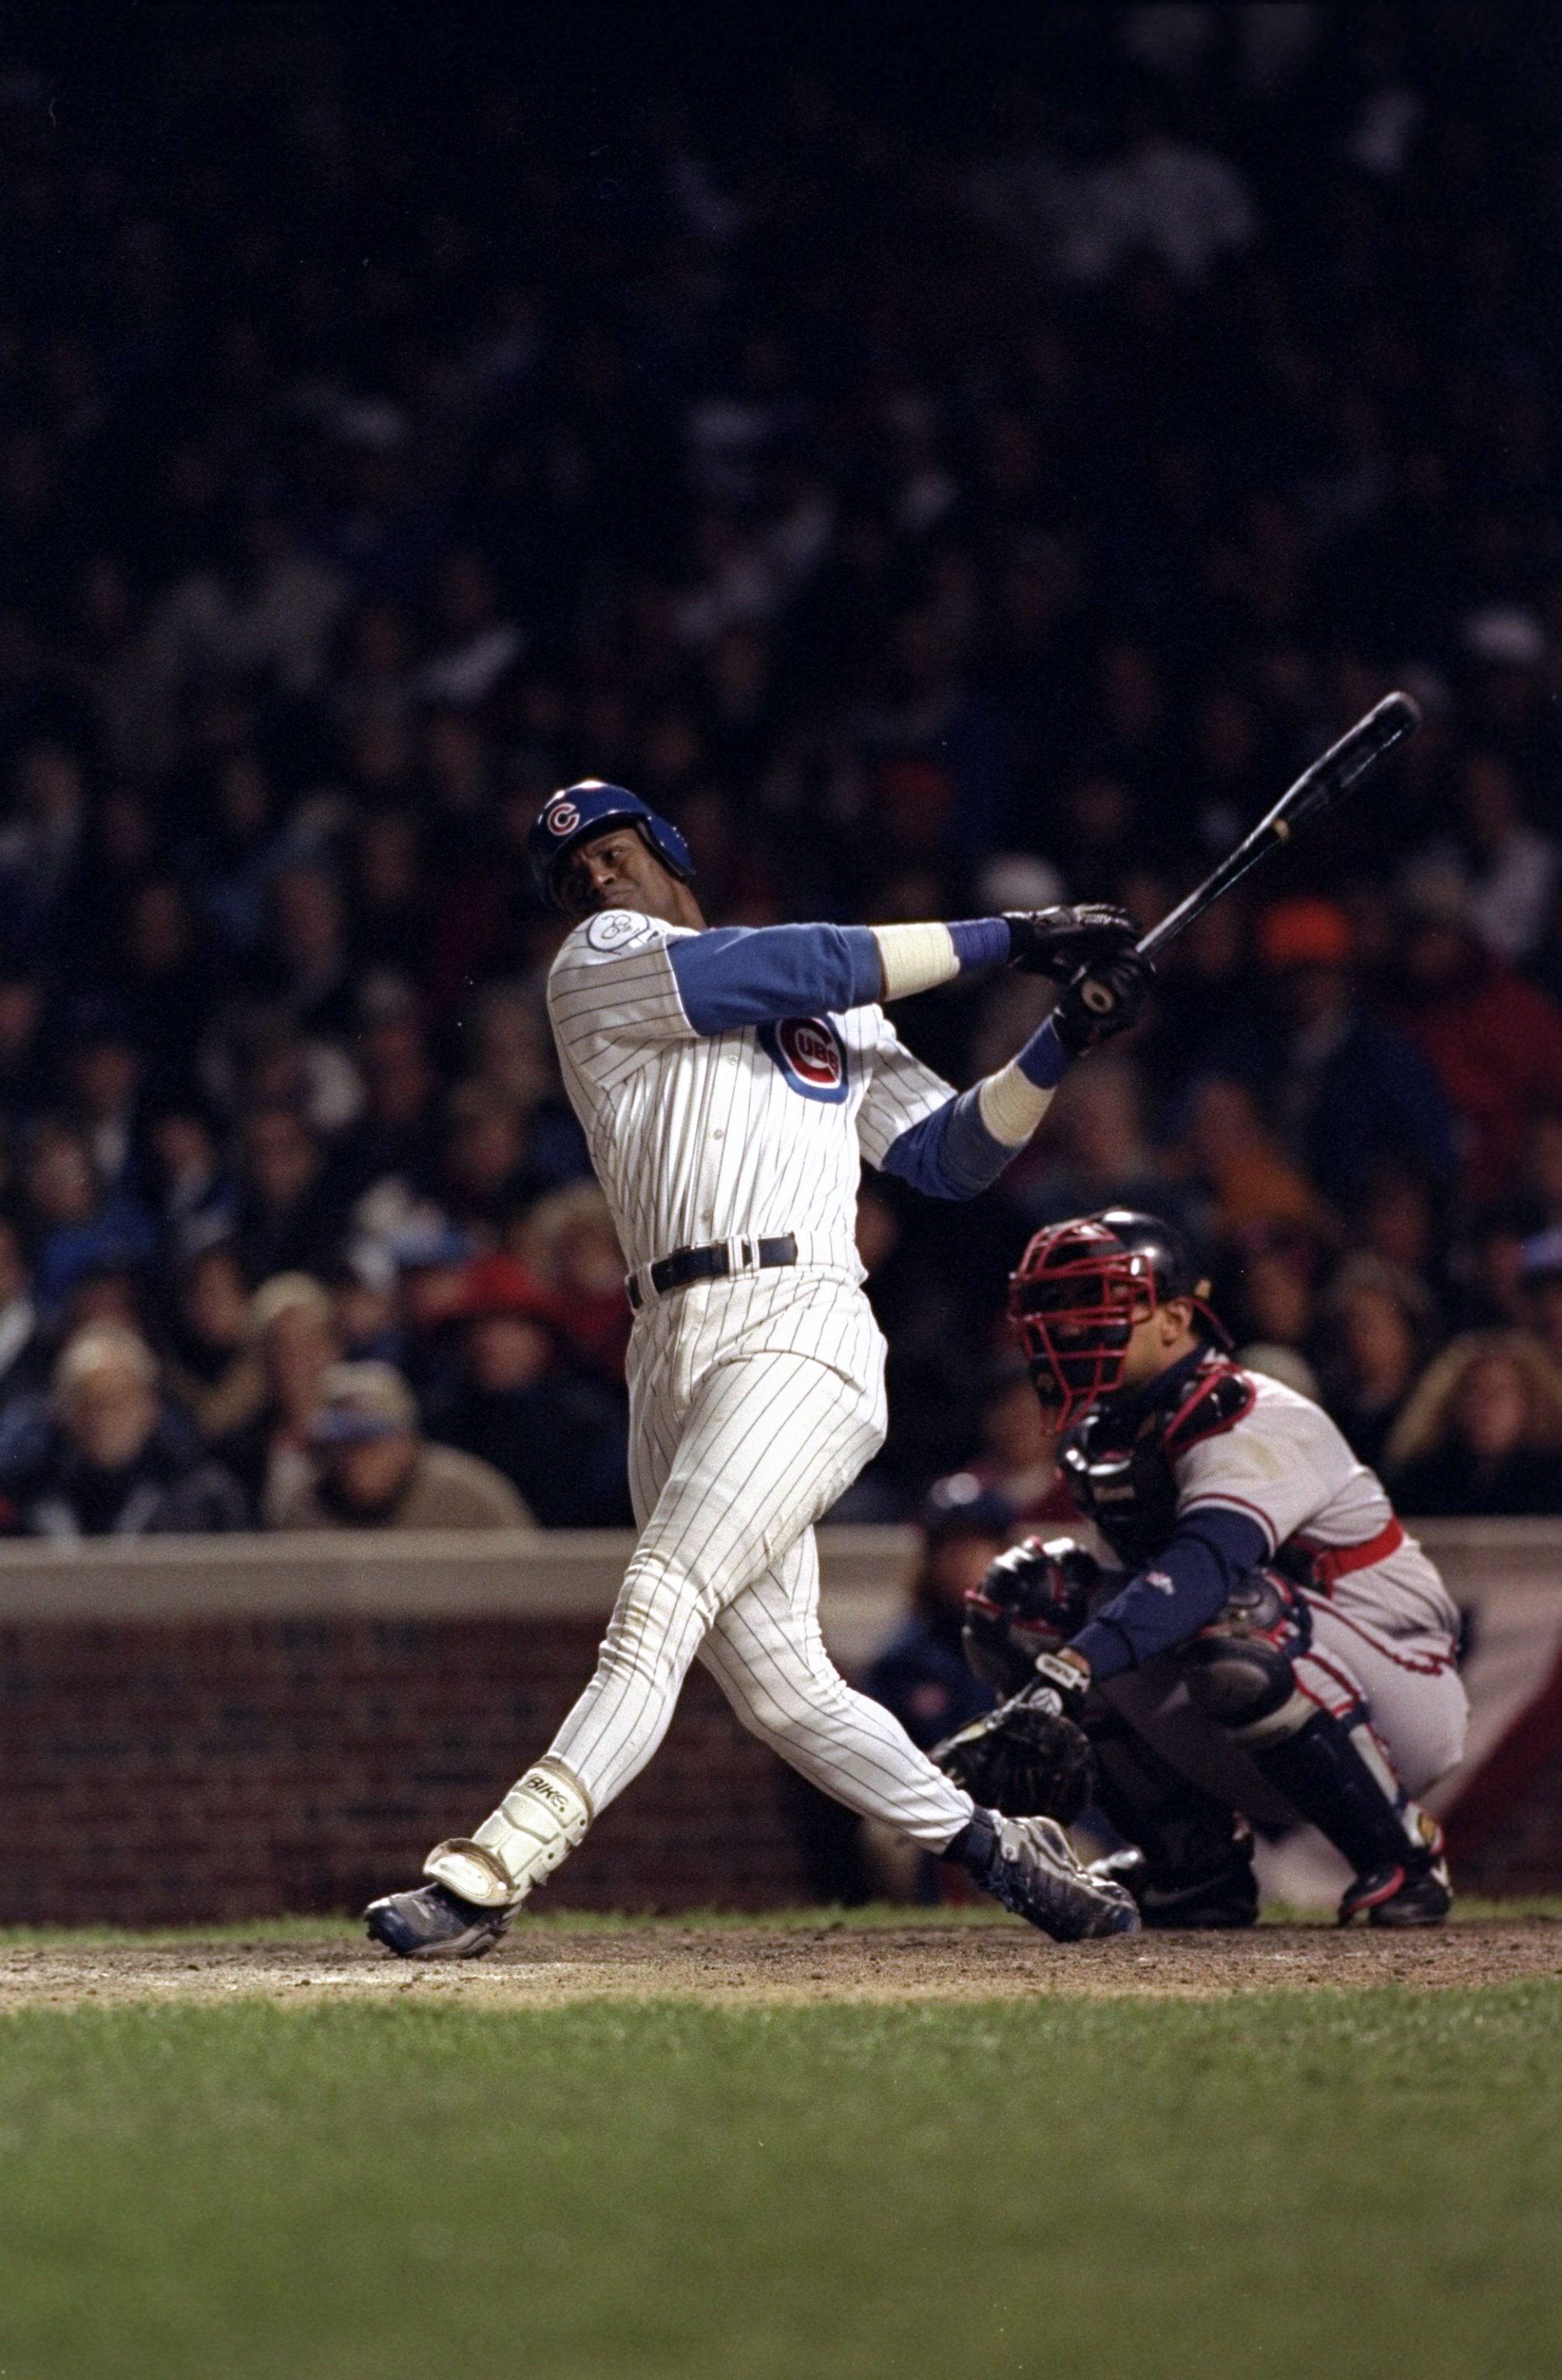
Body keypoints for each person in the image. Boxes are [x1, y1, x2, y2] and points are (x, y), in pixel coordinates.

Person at [365, 779, 1153, 1955]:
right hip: (666, 1344)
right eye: (573, 875)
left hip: (800, 1322)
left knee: (660, 1596)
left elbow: (948, 1157)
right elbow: (799, 965)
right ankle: (1004, 1848)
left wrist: (1061, 1040)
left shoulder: (831, 1000)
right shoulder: (600, 965)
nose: (596, 879)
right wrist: (1018, 940)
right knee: (786, 1693)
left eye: (613, 852)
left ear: (669, 848)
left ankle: (490, 1871)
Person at [937, 1210, 1468, 1929]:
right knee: (1030, 1603)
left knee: (1227, 1612)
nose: (1068, 1325)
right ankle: (1194, 1864)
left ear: (1176, 1317)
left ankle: (1403, 1854)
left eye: (1097, 1301)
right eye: (1057, 1304)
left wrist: (1066, 1674)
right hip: (1264, 1689)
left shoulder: (1251, 1414)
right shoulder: (1107, 1435)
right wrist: (1041, 1681)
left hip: (1396, 1693)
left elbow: (1205, 1567)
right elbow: (1134, 1601)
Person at [0, 1322, 247, 1537]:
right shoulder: (23, 1495)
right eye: (87, 1403)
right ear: (62, 1411)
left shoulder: (204, 1498)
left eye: (117, 1402)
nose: (102, 1419)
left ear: (150, 1408)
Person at [275, 1360, 534, 1530]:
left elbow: (529, 1582)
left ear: (410, 1443)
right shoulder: (304, 1510)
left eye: (371, 1440)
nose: (356, 1457)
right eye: (342, 1441)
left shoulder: (469, 1499)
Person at [1384, 1333, 1562, 1518]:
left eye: (1502, 1390)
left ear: (1531, 1402)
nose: (1488, 1403)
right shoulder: (1419, 1485)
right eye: (1476, 1390)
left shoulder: (1554, 1484)